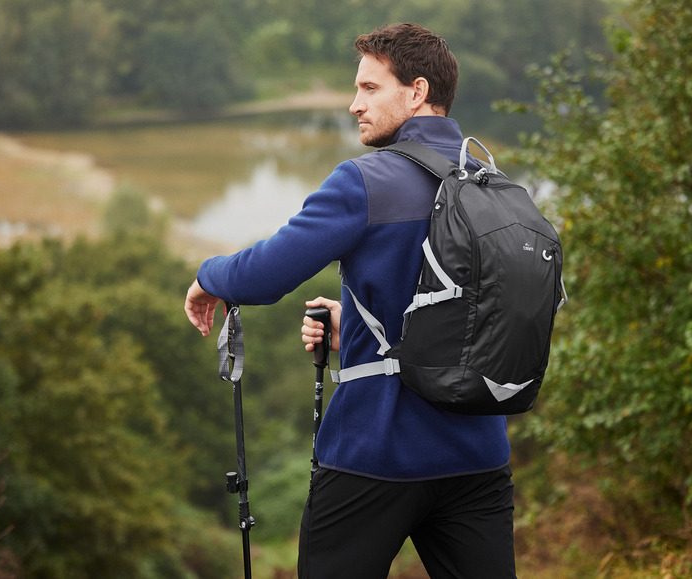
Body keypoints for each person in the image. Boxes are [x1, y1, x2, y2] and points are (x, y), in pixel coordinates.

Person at [185, 23, 516, 579]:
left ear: (416, 92)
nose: (353, 104)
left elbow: (265, 275)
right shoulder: (490, 180)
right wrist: (359, 333)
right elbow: (465, 313)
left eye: (369, 88)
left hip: (377, 453)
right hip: (478, 455)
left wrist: (207, 275)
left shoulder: (365, 181)